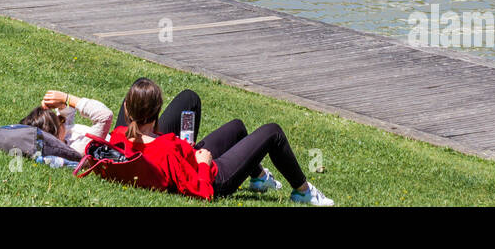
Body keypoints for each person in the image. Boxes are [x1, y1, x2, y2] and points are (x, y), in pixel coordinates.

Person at [106, 77, 333, 205]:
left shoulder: (119, 135)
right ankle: (303, 192)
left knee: (235, 126)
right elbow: (203, 192)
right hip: (215, 177)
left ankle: (259, 178)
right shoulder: (167, 149)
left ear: (127, 109)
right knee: (272, 132)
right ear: (157, 111)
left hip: (174, 152)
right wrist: (203, 164)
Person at [20, 89, 113, 156]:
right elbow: (105, 116)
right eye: (58, 120)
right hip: (120, 146)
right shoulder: (78, 148)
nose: (61, 119)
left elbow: (67, 115)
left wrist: (61, 105)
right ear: (55, 135)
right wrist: (68, 98)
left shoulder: (63, 138)